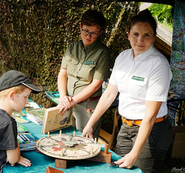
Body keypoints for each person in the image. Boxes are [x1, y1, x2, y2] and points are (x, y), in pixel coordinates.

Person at [82, 9, 173, 173]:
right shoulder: (122, 57)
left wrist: (135, 153)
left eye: (146, 35)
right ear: (128, 34)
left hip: (152, 131)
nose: (140, 40)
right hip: (126, 127)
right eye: (136, 34)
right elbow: (109, 94)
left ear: (154, 37)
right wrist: (90, 124)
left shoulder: (159, 64)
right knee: (119, 170)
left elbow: (150, 115)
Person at [57, 9, 111, 139]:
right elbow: (63, 74)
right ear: (80, 27)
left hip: (88, 107)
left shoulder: (102, 53)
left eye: (93, 33)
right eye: (85, 31)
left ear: (100, 33)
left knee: (84, 143)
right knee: (66, 139)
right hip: (68, 103)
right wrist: (63, 97)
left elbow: (96, 85)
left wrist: (72, 101)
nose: (88, 36)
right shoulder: (72, 48)